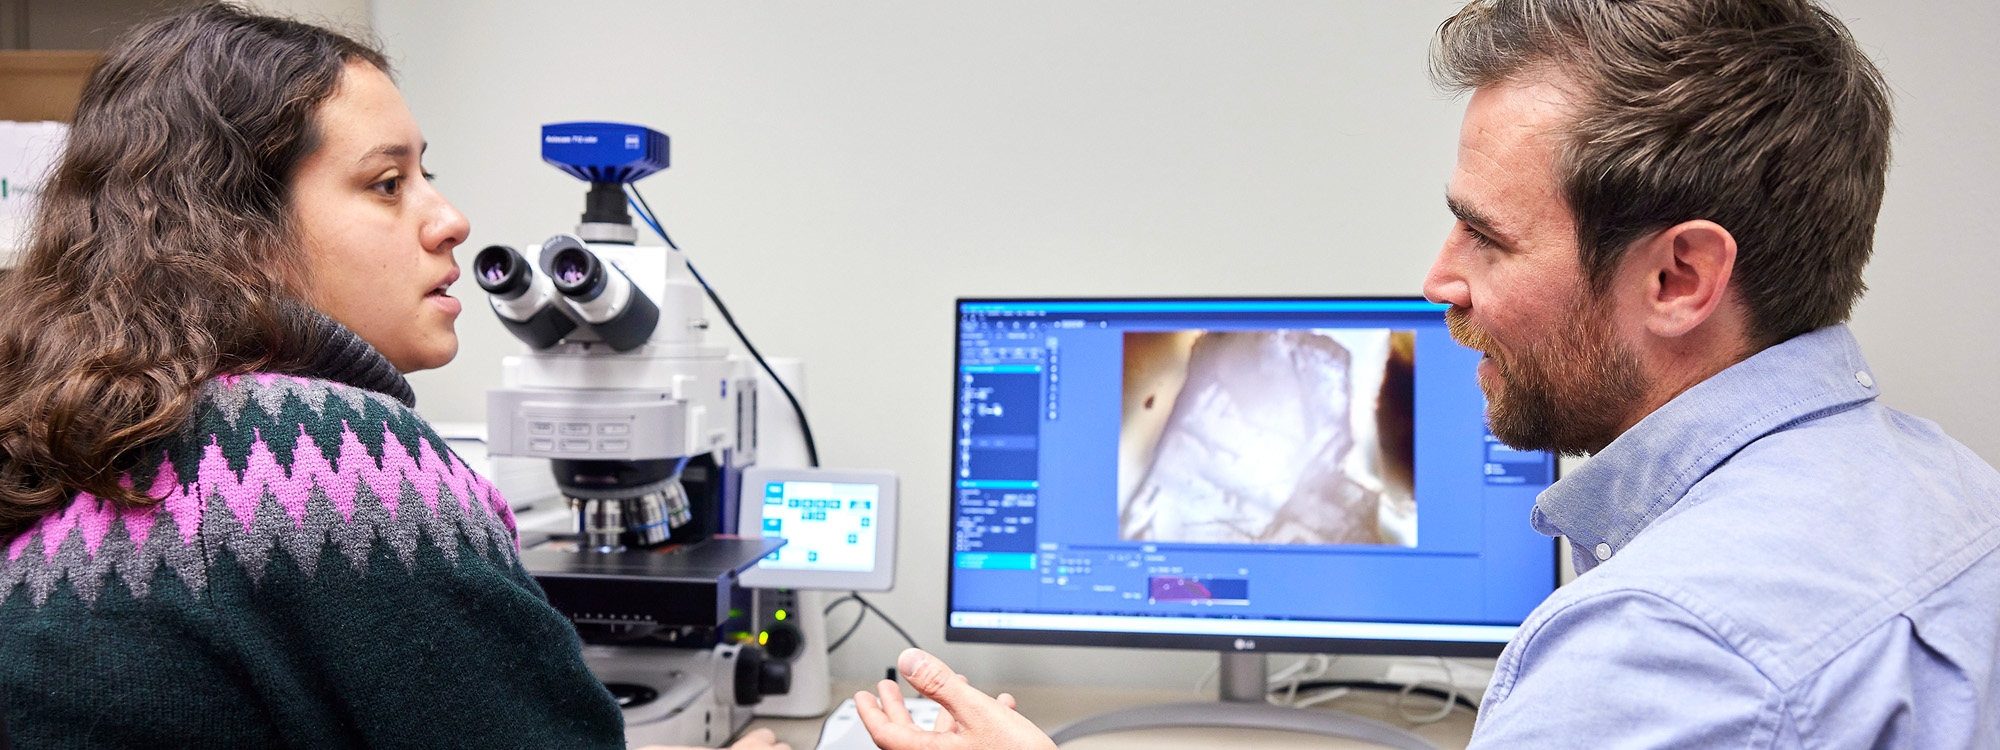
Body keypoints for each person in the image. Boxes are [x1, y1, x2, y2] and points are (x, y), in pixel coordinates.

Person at [857, 0, 2000, 747]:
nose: (1435, 280)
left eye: (1486, 238)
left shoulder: (1661, 651)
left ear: (1677, 276)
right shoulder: (1953, 491)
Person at [0, 5, 787, 750]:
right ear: (237, 229)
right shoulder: (319, 452)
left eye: (427, 174)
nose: (451, 220)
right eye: (387, 183)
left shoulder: (72, 433)